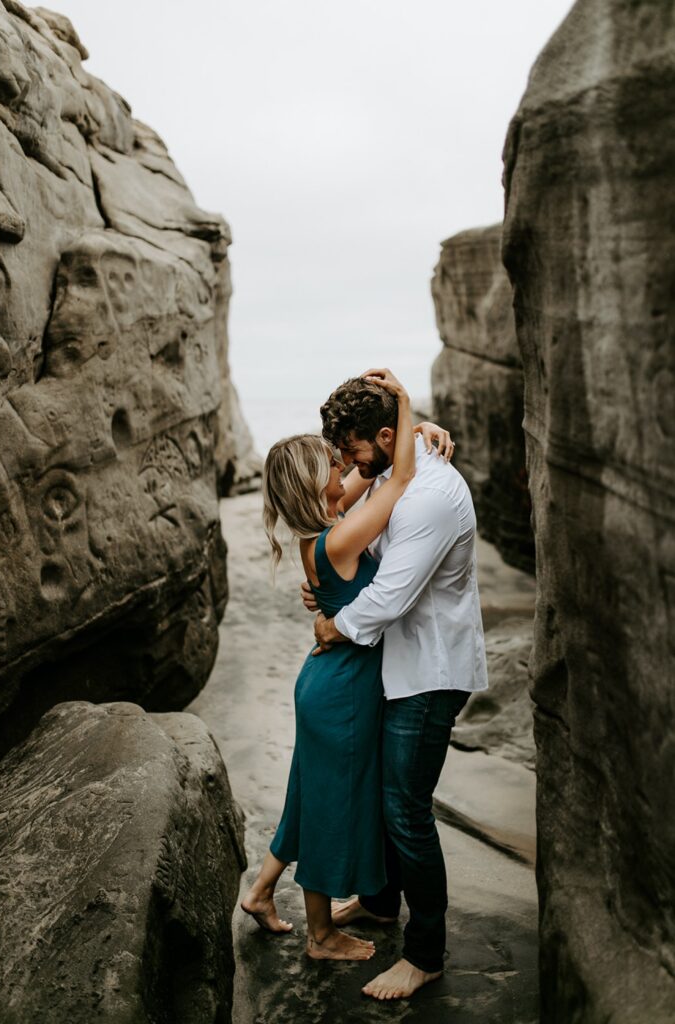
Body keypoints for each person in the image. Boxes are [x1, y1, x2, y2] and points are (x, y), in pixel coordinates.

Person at [240, 369, 453, 962]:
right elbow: (400, 475)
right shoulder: (338, 539)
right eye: (332, 465)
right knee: (332, 806)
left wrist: (411, 430)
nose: (343, 466)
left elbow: (377, 468)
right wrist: (406, 405)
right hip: (345, 686)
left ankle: (264, 892)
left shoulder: (324, 530)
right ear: (318, 486)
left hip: (326, 681)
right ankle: (320, 935)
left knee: (313, 795)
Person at [306, 371, 488, 999]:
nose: (350, 463)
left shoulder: (430, 494)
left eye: (355, 449)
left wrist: (334, 625)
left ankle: (425, 953)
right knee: (384, 796)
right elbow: (336, 506)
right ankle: (382, 903)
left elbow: (391, 595)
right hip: (395, 663)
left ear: (384, 436)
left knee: (406, 812)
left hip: (431, 672)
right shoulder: (393, 468)